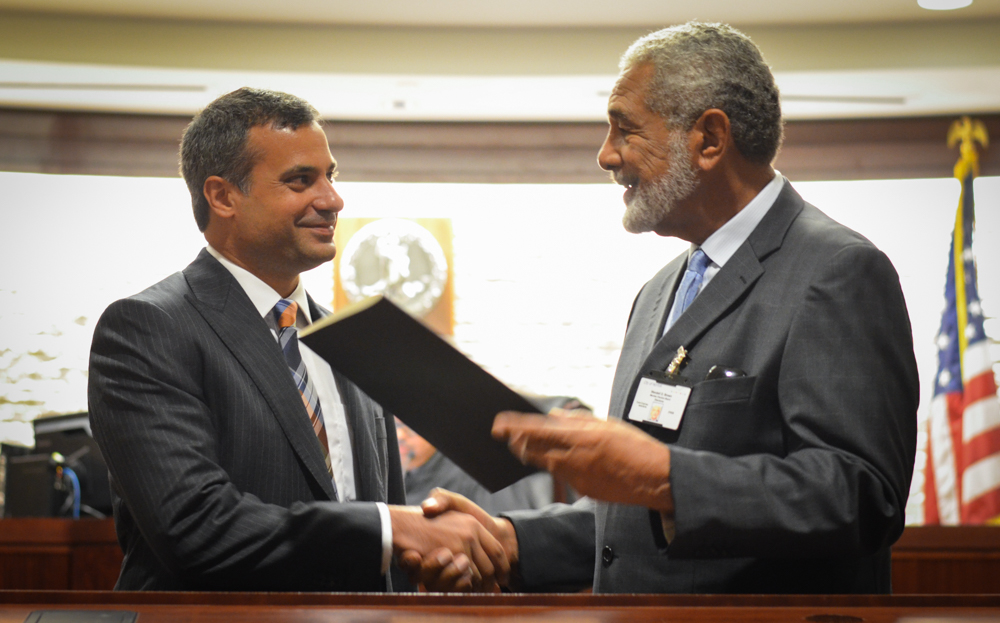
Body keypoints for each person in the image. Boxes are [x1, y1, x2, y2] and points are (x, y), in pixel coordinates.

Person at [409, 22, 918, 594]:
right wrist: (508, 540)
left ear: (709, 139)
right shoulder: (658, 291)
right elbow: (633, 523)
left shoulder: (837, 270)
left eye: (624, 130)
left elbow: (860, 495)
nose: (605, 155)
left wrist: (665, 476)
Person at [88, 87, 507, 592]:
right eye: (300, 180)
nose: (332, 199)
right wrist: (392, 529)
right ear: (222, 196)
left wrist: (426, 560)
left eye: (330, 175)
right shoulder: (146, 327)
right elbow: (193, 528)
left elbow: (381, 524)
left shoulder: (357, 343)